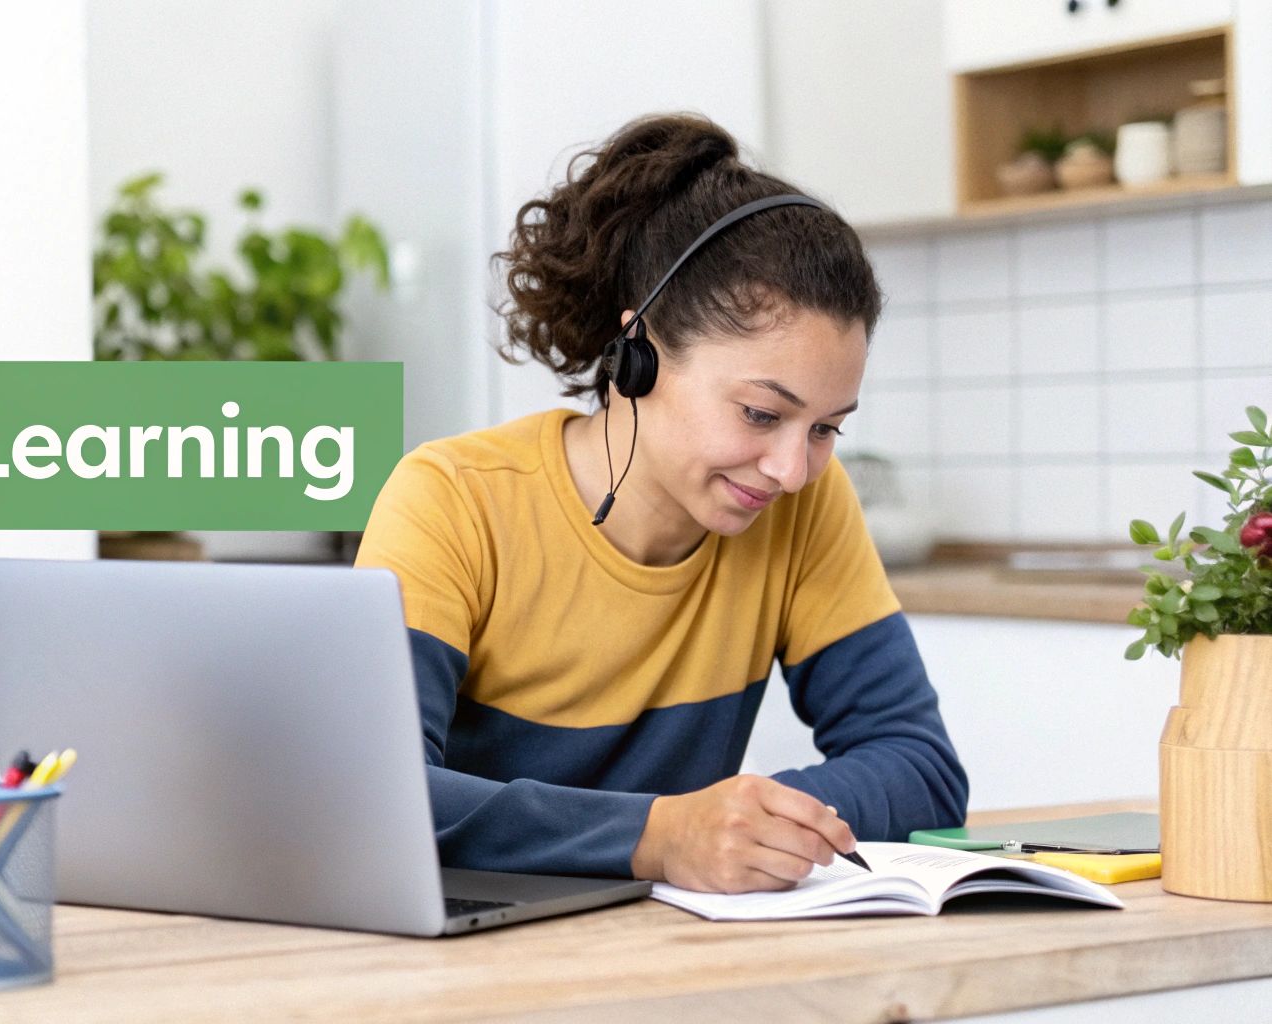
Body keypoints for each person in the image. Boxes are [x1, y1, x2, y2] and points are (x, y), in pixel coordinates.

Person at [352, 113, 968, 895]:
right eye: (760, 413)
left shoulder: (804, 505)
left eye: (826, 429)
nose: (790, 468)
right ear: (636, 359)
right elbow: (378, 793)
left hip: (662, 942)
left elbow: (922, 767)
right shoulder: (453, 501)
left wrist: (741, 825)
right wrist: (659, 834)